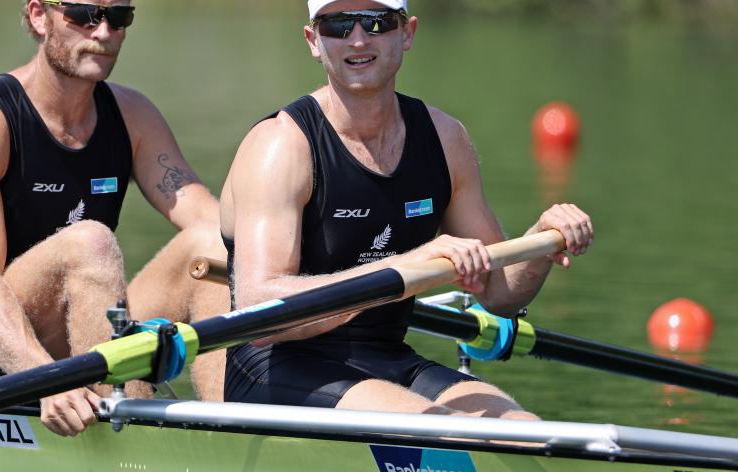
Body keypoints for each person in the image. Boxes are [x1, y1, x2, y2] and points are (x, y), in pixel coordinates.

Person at [218, 0, 593, 418]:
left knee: (523, 430)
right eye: (337, 25)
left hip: (389, 357)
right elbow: (261, 314)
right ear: (313, 41)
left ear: (408, 32)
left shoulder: (445, 139)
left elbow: (499, 294)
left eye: (378, 22)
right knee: (443, 431)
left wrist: (539, 244)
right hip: (279, 367)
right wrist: (408, 266)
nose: (358, 39)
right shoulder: (280, 147)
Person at [0, 0, 228, 438]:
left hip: (79, 339)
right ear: (40, 16)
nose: (103, 32)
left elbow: (212, 221)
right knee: (90, 244)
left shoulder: (132, 115)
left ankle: (231, 433)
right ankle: (138, 435)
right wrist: (44, 379)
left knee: (213, 249)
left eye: (119, 18)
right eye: (84, 14)